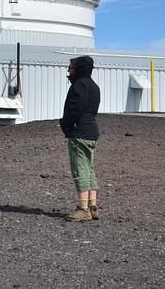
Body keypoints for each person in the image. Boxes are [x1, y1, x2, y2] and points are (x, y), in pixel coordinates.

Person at [59, 55, 101, 222]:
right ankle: (93, 206)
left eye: (70, 67)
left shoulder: (79, 85)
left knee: (80, 170)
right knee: (89, 169)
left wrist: (66, 125)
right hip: (91, 132)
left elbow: (75, 109)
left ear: (78, 69)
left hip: (79, 132)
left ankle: (83, 209)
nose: (68, 70)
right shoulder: (94, 86)